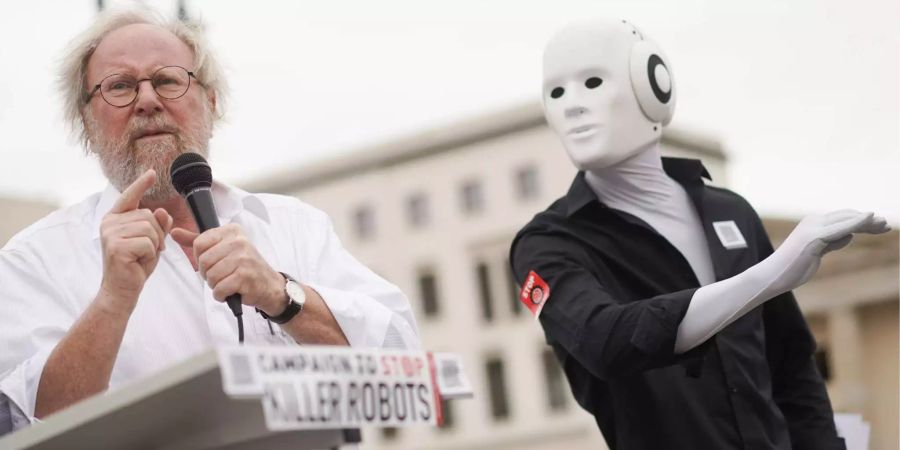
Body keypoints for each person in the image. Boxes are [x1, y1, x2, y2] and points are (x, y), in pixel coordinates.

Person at [0, 7, 419, 433]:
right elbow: (20, 426)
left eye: (167, 80)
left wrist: (283, 296)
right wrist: (111, 302)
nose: (147, 100)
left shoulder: (296, 227)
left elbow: (405, 363)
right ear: (87, 125)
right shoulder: (33, 260)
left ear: (211, 103)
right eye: (120, 87)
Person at [509, 19, 889, 450]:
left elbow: (791, 367)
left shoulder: (731, 212)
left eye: (593, 82)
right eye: (556, 92)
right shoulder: (545, 245)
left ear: (654, 82)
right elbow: (605, 342)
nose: (571, 105)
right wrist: (772, 274)